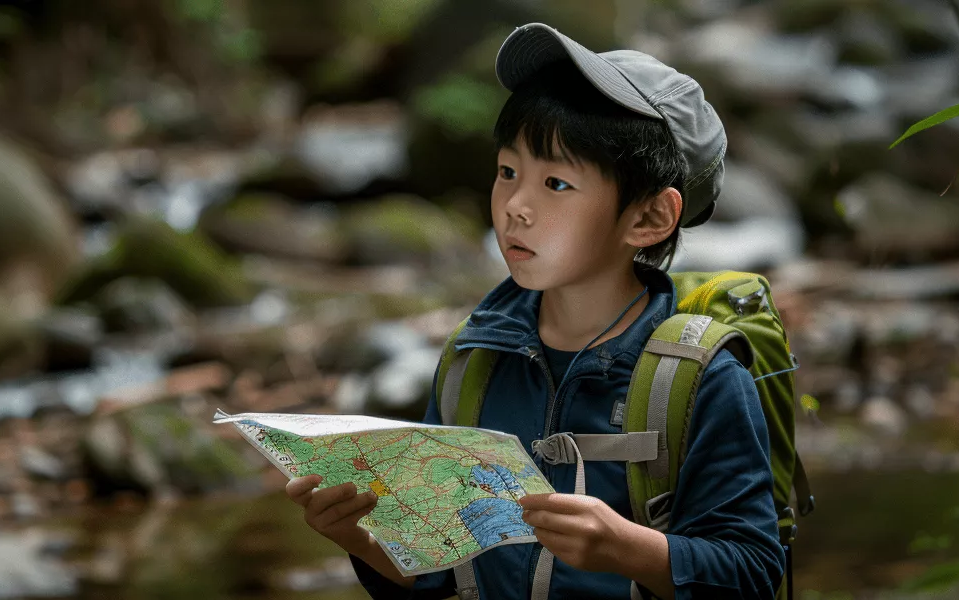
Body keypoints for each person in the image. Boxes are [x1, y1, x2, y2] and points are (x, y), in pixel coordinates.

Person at [281, 23, 785, 599]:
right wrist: (361, 537)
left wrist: (627, 548)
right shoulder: (474, 362)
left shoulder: (700, 380)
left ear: (648, 218)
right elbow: (444, 571)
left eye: (556, 183)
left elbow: (752, 575)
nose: (516, 206)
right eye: (507, 172)